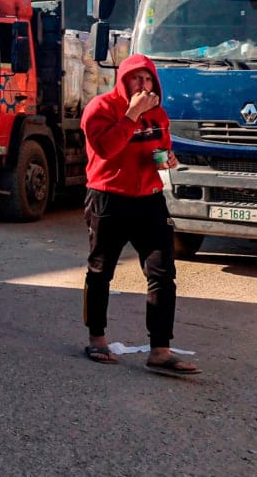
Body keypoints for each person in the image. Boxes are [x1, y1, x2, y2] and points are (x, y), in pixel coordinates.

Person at [80, 53, 200, 374]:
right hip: (109, 198)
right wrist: (132, 114)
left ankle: (160, 349)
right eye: (136, 78)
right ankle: (97, 338)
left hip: (149, 199)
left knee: (163, 272)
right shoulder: (101, 108)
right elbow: (106, 149)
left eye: (148, 79)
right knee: (100, 271)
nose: (143, 85)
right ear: (123, 80)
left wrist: (167, 159)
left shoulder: (158, 113)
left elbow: (161, 147)